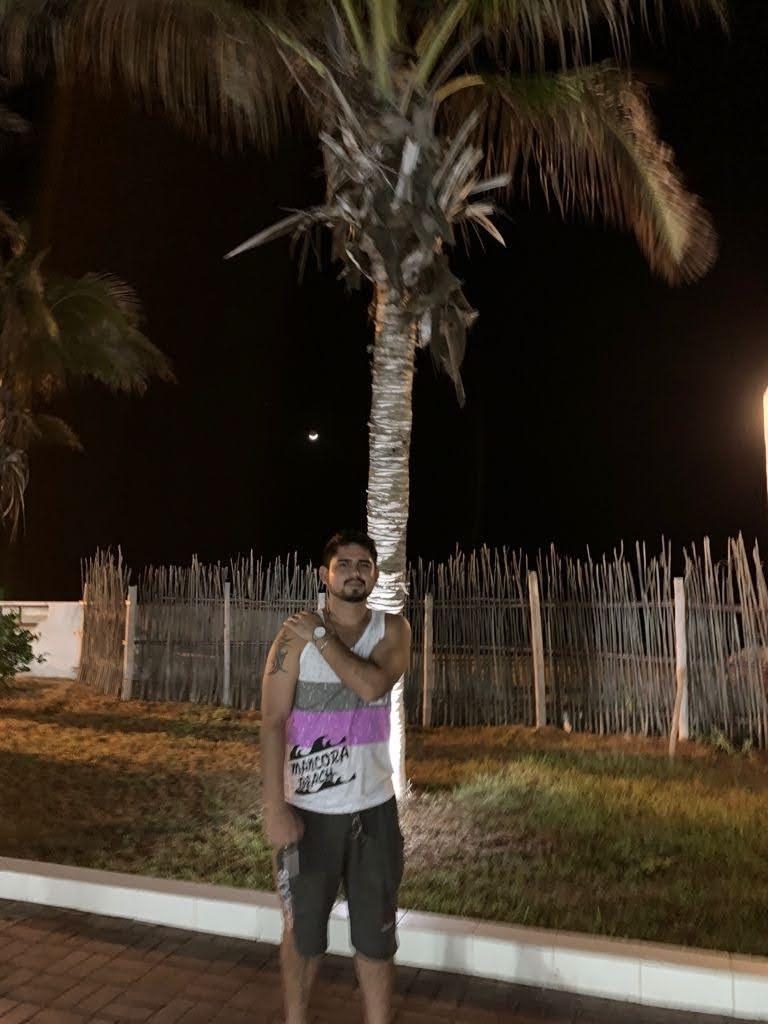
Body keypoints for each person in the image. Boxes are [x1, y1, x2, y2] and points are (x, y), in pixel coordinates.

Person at [260, 529, 412, 1024]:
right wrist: (274, 808)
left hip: (374, 813)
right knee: (302, 934)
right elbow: (272, 721)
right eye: (343, 563)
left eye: (363, 563)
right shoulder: (291, 639)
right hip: (308, 814)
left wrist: (321, 636)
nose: (354, 572)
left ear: (375, 574)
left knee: (376, 938)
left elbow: (372, 685)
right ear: (324, 575)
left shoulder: (392, 631)